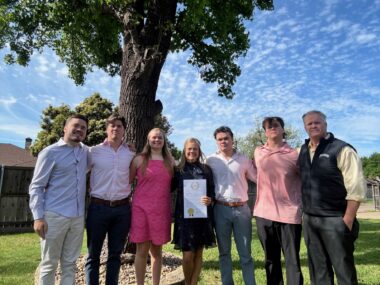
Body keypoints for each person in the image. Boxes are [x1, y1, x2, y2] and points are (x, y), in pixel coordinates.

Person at [298, 110, 366, 285]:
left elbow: (356, 187)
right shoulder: (303, 150)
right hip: (310, 220)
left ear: (325, 124)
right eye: (309, 123)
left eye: (317, 122)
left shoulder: (342, 149)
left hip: (336, 219)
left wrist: (347, 220)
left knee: (343, 269)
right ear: (305, 127)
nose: (313, 126)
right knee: (318, 271)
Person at [29, 114, 88, 285]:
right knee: (49, 264)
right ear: (65, 128)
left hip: (77, 218)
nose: (79, 130)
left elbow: (103, 152)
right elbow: (37, 186)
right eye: (75, 126)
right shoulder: (50, 152)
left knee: (70, 264)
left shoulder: (85, 152)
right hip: (54, 216)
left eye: (83, 128)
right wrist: (38, 217)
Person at [85, 113, 135, 285]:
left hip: (122, 210)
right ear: (106, 129)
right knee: (93, 255)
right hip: (98, 208)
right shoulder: (94, 152)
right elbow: (76, 173)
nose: (115, 128)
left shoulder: (130, 153)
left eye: (119, 126)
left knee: (115, 255)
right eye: (112, 125)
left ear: (124, 130)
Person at [253, 117, 303, 285]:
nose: (272, 128)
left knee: (292, 261)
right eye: (268, 126)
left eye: (276, 125)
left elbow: (305, 179)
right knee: (271, 259)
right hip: (264, 213)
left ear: (283, 129)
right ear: (265, 132)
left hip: (289, 215)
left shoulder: (294, 154)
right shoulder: (258, 152)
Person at [206, 126, 257, 285]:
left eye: (226, 138)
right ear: (216, 141)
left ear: (232, 139)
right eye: (220, 139)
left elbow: (258, 179)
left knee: (245, 254)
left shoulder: (244, 159)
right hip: (220, 209)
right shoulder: (210, 160)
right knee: (224, 253)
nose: (223, 141)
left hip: (242, 209)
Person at [129, 128, 174, 285]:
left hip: (161, 211)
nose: (157, 140)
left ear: (164, 140)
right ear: (148, 140)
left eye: (160, 137)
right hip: (141, 209)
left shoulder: (171, 162)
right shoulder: (138, 160)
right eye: (154, 137)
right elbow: (126, 182)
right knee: (141, 250)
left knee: (157, 251)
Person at [172, 138, 216, 285]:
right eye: (189, 149)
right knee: (188, 255)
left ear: (199, 151)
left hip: (202, 217)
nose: (192, 151)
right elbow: (167, 188)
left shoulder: (206, 169)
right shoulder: (177, 170)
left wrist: (210, 199)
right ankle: (187, 283)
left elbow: (212, 192)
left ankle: (194, 283)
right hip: (184, 219)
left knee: (198, 253)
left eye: (195, 149)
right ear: (184, 151)